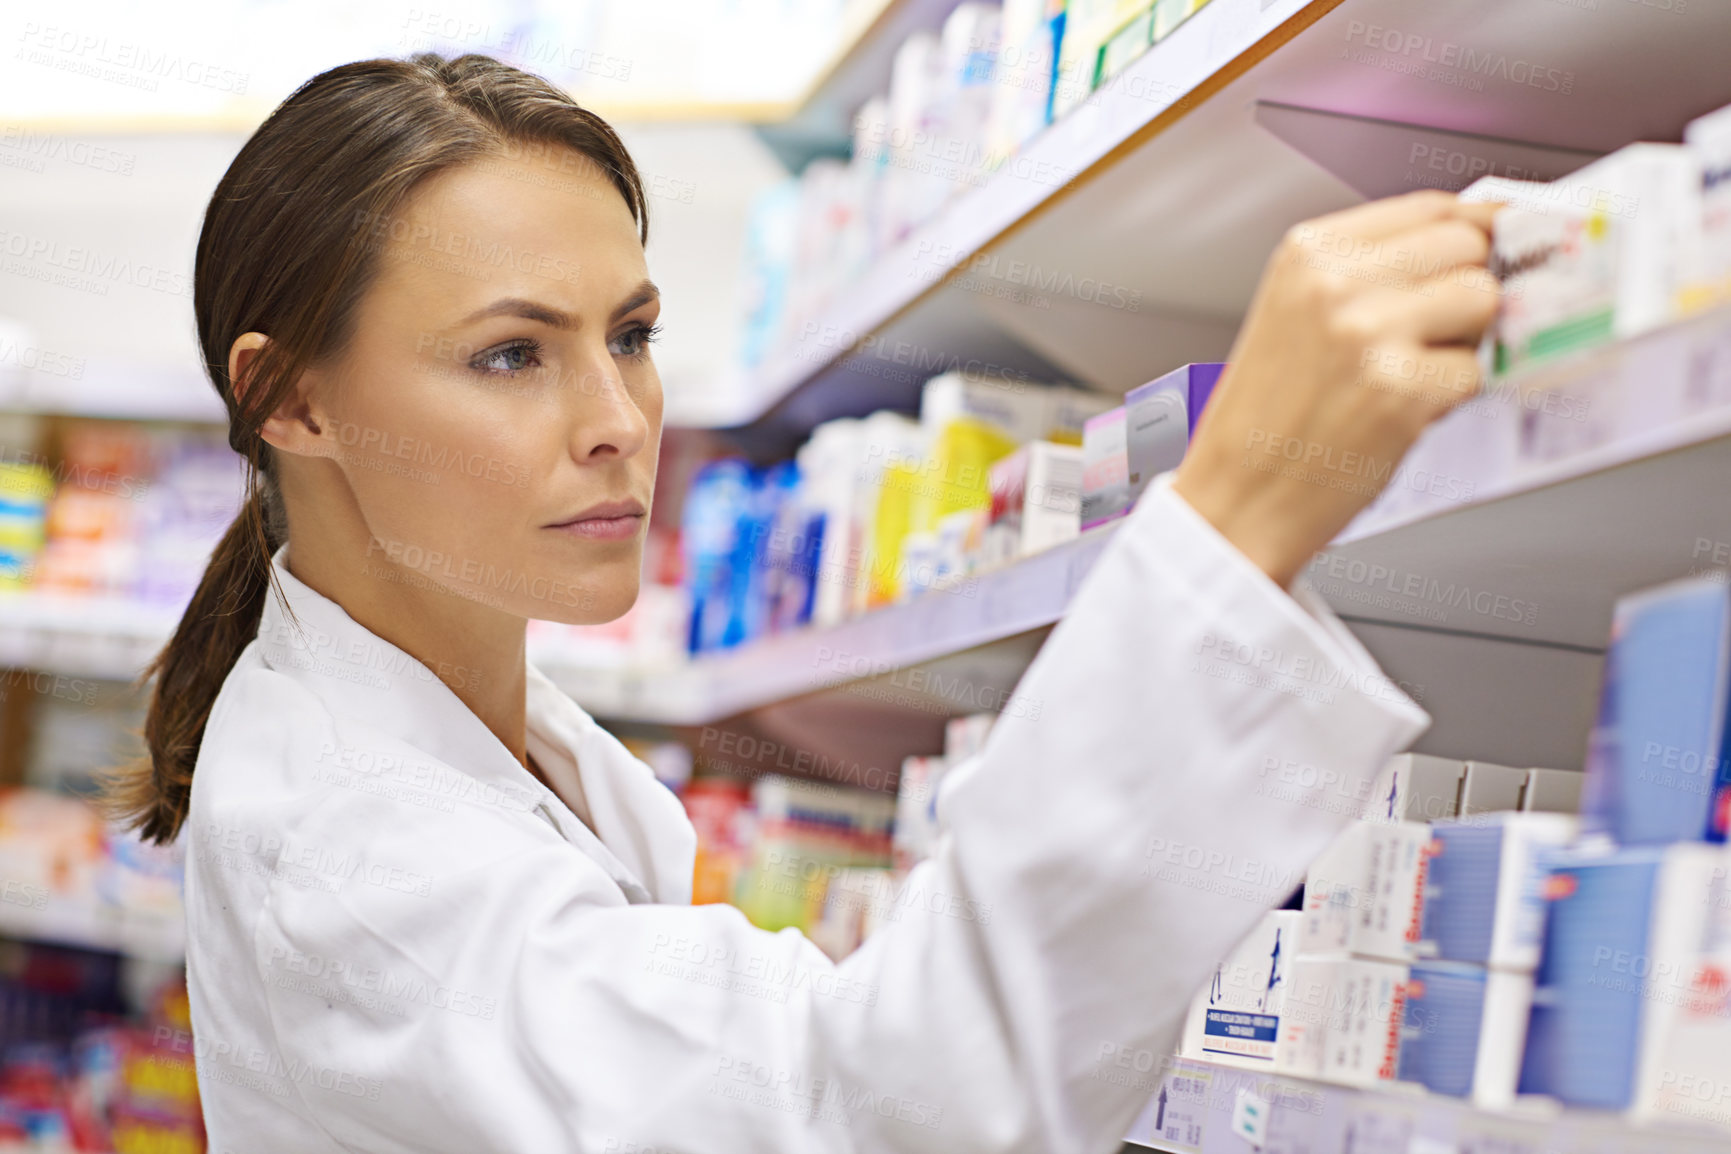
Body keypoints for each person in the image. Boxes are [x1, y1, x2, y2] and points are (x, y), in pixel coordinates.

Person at [108, 52, 1499, 1153]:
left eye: (633, 336)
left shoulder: (504, 736)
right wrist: (1237, 512)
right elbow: (860, 1116)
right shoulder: (350, 854)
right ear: (291, 397)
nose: (618, 421)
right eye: (510, 354)